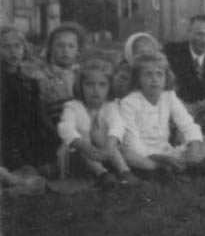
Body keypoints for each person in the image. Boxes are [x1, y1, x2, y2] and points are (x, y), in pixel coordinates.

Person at [120, 53, 205, 177]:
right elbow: (132, 142)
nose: (154, 79)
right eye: (148, 74)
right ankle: (164, 169)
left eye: (159, 74)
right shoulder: (128, 103)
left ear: (166, 77)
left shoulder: (168, 96)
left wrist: (193, 151)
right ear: (138, 79)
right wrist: (161, 159)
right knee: (128, 154)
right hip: (145, 154)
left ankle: (188, 164)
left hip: (167, 151)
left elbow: (188, 124)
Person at [57, 58, 138, 188]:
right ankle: (102, 173)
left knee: (103, 136)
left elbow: (117, 124)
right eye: (89, 85)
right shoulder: (73, 106)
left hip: (104, 152)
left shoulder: (110, 105)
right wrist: (84, 146)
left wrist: (110, 144)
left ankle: (124, 171)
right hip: (78, 154)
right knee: (83, 134)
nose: (96, 90)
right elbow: (65, 128)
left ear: (109, 87)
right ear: (80, 86)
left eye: (102, 85)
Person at [0, 26, 59, 178]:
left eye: (17, 46)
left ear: (24, 49)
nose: (13, 52)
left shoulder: (30, 82)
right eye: (6, 47)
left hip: (27, 134)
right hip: (6, 135)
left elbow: (39, 114)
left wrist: (56, 135)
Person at [164, 15, 205, 132]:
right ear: (189, 33)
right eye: (199, 34)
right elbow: (166, 82)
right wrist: (181, 103)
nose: (204, 40)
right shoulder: (172, 51)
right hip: (182, 107)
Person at [29, 22, 86, 126]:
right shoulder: (41, 77)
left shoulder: (83, 76)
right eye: (60, 45)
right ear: (50, 48)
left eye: (71, 46)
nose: (65, 50)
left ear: (78, 51)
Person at [112, 32, 161, 99]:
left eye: (149, 52)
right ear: (130, 54)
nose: (145, 56)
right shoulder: (124, 74)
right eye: (140, 53)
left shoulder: (160, 70)